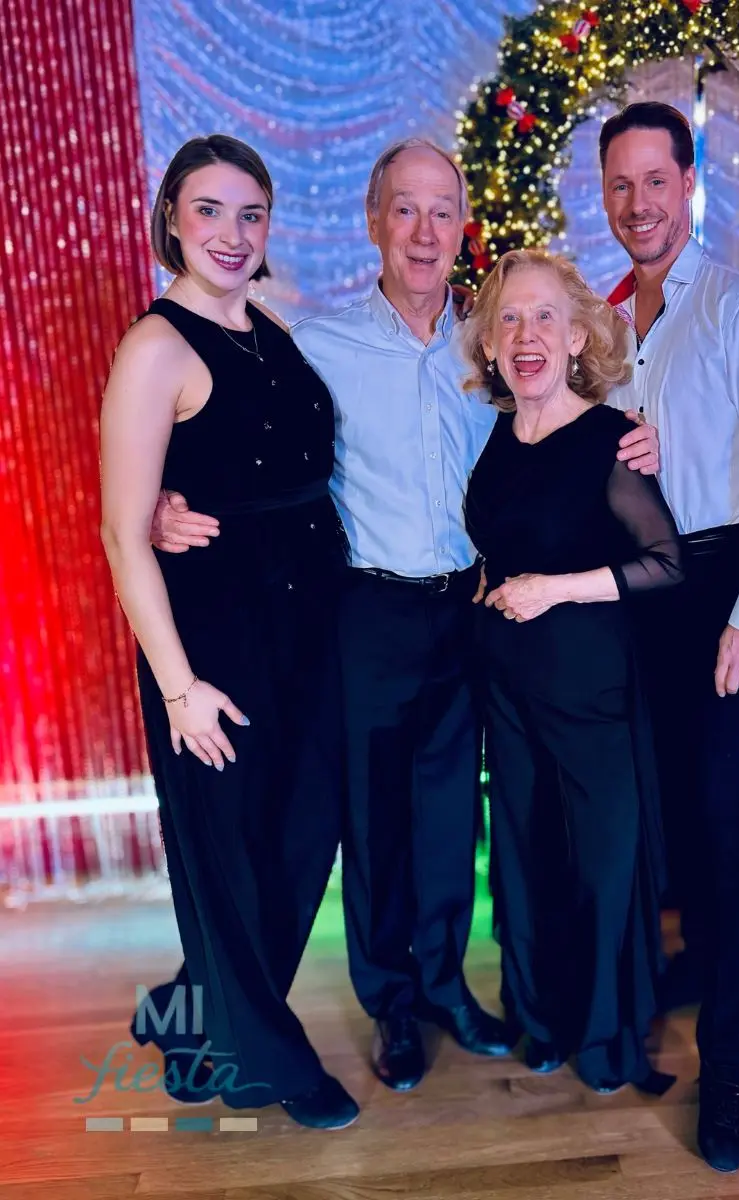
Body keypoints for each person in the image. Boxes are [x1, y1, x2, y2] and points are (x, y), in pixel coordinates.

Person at [151, 138, 661, 1092]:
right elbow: (238, 442)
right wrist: (157, 502)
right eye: (405, 210)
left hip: (466, 613)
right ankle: (390, 1001)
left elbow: (565, 414)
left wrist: (636, 433)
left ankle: (443, 985)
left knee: (441, 817)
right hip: (365, 613)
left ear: (462, 227)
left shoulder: (491, 351)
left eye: (442, 212)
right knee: (373, 819)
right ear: (375, 222)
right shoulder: (317, 347)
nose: (425, 232)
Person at [100, 135, 358, 1129]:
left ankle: (184, 1011)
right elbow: (126, 533)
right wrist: (176, 687)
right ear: (171, 217)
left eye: (250, 213)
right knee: (228, 849)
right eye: (208, 210)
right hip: (215, 638)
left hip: (311, 621)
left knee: (298, 834)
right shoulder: (154, 347)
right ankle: (267, 1060)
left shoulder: (274, 329)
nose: (230, 233)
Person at [599, 102, 739, 1171]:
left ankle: (724, 1076)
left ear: (690, 182)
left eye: (655, 180)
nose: (638, 204)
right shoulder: (611, 328)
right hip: (647, 588)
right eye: (620, 186)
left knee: (728, 831)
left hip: (724, 578)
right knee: (672, 808)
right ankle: (691, 970)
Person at [461, 248, 682, 1094]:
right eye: (509, 318)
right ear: (489, 342)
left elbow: (665, 562)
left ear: (580, 333)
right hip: (507, 689)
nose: (527, 334)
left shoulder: (611, 439)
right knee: (522, 858)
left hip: (591, 689)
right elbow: (500, 546)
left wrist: (554, 589)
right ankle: (539, 1021)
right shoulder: (496, 436)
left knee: (599, 864)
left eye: (545, 315)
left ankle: (600, 1036)